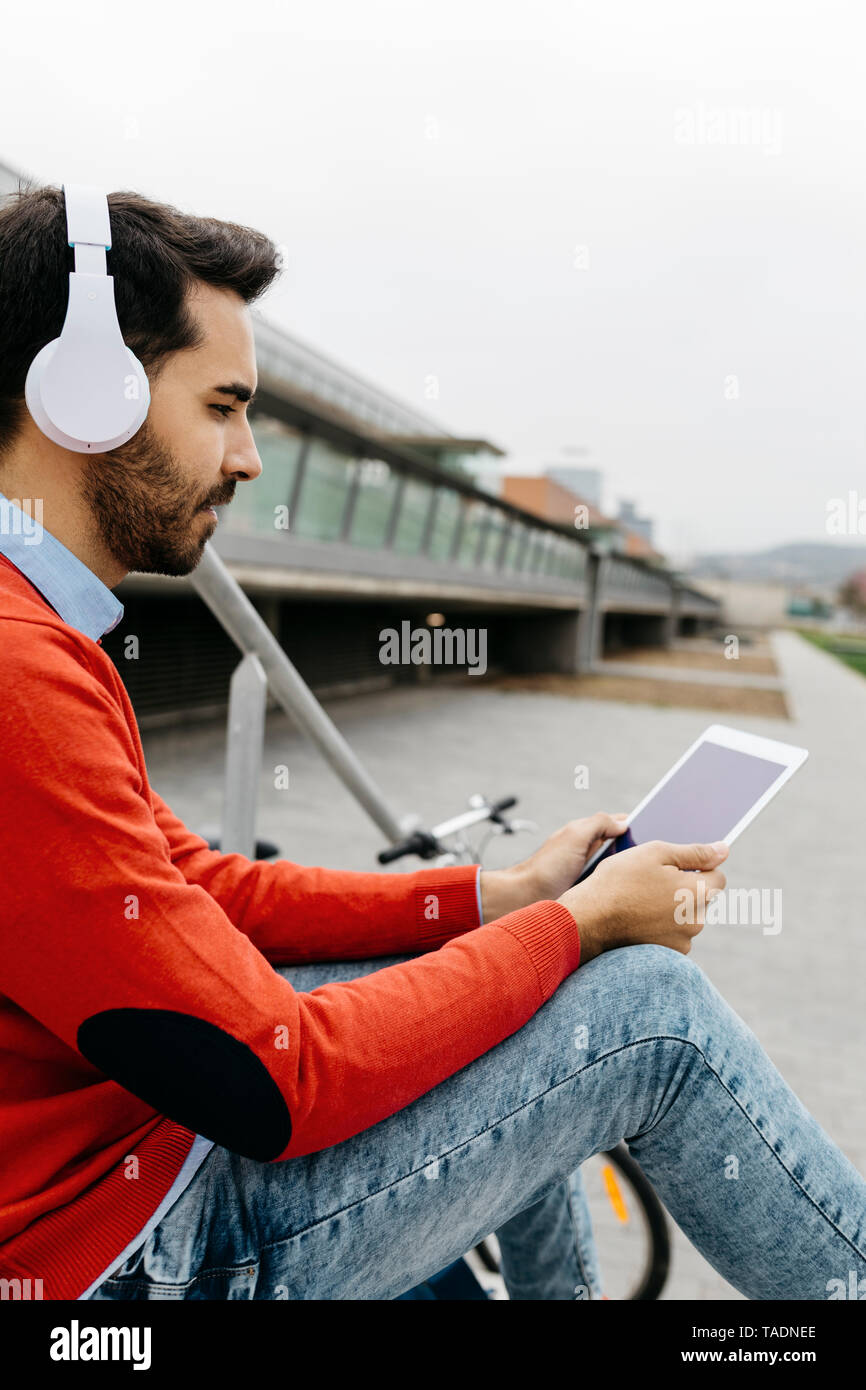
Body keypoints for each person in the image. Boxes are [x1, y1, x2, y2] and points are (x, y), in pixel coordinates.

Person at [0, 186, 863, 1302]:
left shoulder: (42, 633)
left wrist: (499, 898)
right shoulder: (21, 671)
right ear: (85, 395)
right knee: (651, 1014)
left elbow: (206, 889)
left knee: (496, 984)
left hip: (128, 1176)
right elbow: (278, 1082)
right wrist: (579, 922)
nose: (251, 457)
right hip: (122, 1258)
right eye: (224, 405)